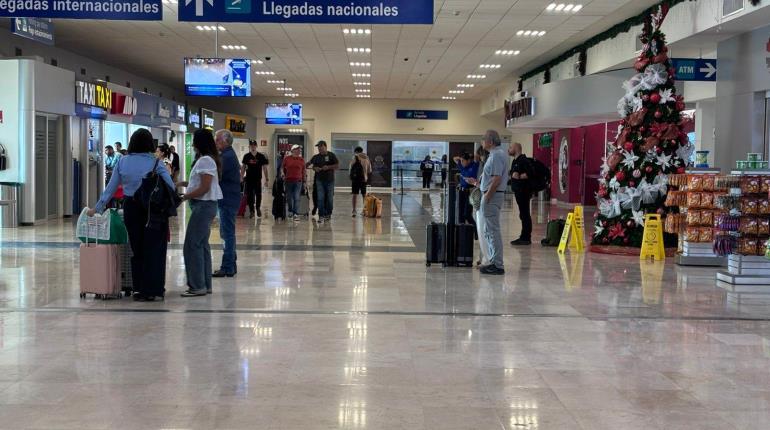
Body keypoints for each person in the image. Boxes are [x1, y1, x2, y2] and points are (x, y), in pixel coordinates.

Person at [88, 129, 175, 301]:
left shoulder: (122, 161)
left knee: (137, 248)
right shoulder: (156, 163)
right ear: (150, 144)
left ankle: (138, 289)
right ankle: (153, 289)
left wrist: (97, 208)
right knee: (153, 248)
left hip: (131, 208)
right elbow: (170, 186)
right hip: (153, 211)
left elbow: (111, 188)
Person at [177, 130, 222, 297]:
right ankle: (205, 284)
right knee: (202, 245)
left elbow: (204, 188)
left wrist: (183, 197)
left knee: (191, 245)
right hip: (206, 206)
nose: (192, 145)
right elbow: (200, 183)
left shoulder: (205, 160)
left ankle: (197, 286)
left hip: (203, 206)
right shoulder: (209, 160)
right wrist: (183, 184)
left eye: (194, 141)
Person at [467, 130, 509, 276]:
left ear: (490, 141)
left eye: (483, 139)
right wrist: (479, 184)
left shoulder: (497, 155)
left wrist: (487, 196)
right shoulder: (495, 155)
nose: (482, 142)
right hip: (490, 194)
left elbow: (497, 179)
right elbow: (491, 179)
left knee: (492, 230)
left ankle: (497, 264)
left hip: (492, 196)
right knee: (488, 231)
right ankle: (492, 261)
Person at [214, 129, 241, 278]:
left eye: (217, 140)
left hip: (227, 199)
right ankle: (231, 264)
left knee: (227, 234)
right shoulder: (227, 155)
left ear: (224, 141)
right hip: (228, 198)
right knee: (227, 233)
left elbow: (217, 175)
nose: (215, 142)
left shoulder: (227, 156)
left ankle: (227, 266)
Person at [306, 141, 339, 222]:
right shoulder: (316, 157)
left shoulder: (331, 155)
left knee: (329, 198)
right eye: (318, 147)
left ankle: (328, 214)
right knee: (320, 198)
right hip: (319, 181)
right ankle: (321, 215)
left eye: (321, 146)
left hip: (330, 181)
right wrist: (315, 168)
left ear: (325, 147)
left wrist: (328, 167)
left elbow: (337, 165)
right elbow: (310, 165)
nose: (319, 148)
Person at [509, 142, 533, 246]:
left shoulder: (523, 160)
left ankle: (526, 238)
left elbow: (531, 173)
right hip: (518, 191)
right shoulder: (515, 161)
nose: (509, 149)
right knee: (522, 214)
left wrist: (519, 176)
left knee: (525, 214)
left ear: (516, 148)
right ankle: (524, 236)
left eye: (510, 148)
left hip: (524, 191)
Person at [241, 141, 270, 219]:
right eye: (251, 145)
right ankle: (251, 211)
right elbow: (243, 167)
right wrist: (241, 176)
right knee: (250, 195)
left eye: (254, 145)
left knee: (258, 194)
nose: (253, 147)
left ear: (256, 146)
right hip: (249, 179)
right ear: (249, 146)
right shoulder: (246, 156)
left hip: (257, 178)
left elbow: (264, 168)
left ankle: (257, 208)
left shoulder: (261, 156)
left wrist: (267, 179)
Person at [473, 146, 490, 268]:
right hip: (481, 196)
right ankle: (482, 257)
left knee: (485, 230)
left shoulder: (487, 164)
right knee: (481, 230)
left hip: (485, 197)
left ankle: (487, 258)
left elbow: (486, 182)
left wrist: (475, 183)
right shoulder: (482, 164)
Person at [453, 152, 480, 226]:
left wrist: (470, 155)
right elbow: (454, 158)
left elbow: (477, 156)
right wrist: (461, 157)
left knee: (467, 214)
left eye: (463, 161)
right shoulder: (462, 166)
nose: (461, 162)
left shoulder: (474, 165)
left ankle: (475, 230)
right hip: (461, 191)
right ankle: (462, 231)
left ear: (468, 161)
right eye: (461, 161)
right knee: (460, 214)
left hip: (470, 192)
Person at [281, 145, 306, 221]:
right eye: (297, 149)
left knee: (296, 197)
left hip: (298, 181)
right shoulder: (287, 159)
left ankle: (295, 213)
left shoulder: (301, 160)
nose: (299, 151)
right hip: (288, 180)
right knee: (289, 197)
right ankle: (290, 210)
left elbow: (304, 171)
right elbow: (282, 168)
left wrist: (305, 182)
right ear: (293, 150)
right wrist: (282, 173)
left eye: (299, 150)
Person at [349, 146, 372, 217]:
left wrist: (351, 176)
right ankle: (364, 210)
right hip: (363, 179)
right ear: (362, 151)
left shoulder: (355, 157)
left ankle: (354, 210)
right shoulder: (367, 158)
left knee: (354, 194)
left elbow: (350, 168)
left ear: (356, 151)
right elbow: (370, 170)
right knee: (364, 195)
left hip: (356, 179)